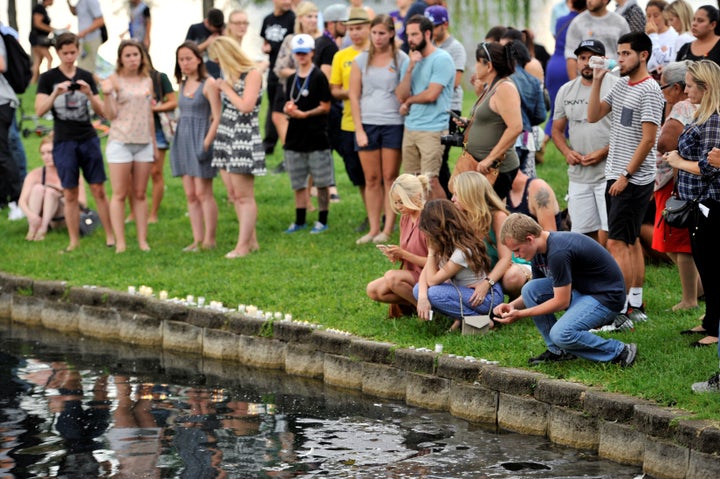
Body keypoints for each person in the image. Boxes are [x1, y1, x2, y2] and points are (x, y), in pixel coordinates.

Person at [587, 31, 664, 324]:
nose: (620, 59)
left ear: (643, 55)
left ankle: (618, 313)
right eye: (618, 53)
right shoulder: (620, 85)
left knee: (617, 243)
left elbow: (648, 141)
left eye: (626, 54)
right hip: (616, 173)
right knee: (629, 241)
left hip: (632, 178)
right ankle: (634, 304)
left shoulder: (650, 91)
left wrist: (626, 176)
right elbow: (594, 115)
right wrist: (596, 80)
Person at [494, 213, 637, 367]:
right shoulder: (538, 250)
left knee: (561, 334)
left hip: (606, 298)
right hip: (581, 291)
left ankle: (620, 351)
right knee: (530, 289)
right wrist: (512, 306)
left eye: (517, 250)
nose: (517, 256)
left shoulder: (558, 252)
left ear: (529, 239)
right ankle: (558, 351)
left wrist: (520, 314)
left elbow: (561, 301)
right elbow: (536, 293)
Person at [35, 32, 114, 251]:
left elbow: (103, 112)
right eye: (65, 53)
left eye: (73, 52)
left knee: (98, 188)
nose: (69, 57)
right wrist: (55, 94)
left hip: (87, 137)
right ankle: (73, 241)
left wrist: (89, 93)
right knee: (70, 192)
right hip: (63, 141)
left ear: (78, 51)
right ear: (58, 53)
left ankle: (110, 235)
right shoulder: (48, 78)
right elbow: (40, 111)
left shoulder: (87, 76)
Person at [665, 60, 720, 350]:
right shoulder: (705, 114)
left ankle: (716, 328)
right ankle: (711, 320)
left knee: (712, 264)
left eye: (688, 85)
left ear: (706, 87)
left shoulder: (714, 118)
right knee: (704, 261)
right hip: (699, 202)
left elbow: (710, 167)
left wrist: (677, 161)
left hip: (711, 201)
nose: (684, 90)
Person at [349, 14, 408, 244]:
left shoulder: (400, 58)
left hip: (393, 123)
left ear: (392, 33)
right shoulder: (361, 60)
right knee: (371, 178)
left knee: (389, 177)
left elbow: (406, 89)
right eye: (374, 33)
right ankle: (373, 228)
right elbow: (354, 97)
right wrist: (359, 129)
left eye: (382, 33)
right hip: (368, 123)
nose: (377, 37)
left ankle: (388, 228)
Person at [552, 39, 617, 244]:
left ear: (604, 60)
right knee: (582, 233)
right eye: (582, 58)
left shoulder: (616, 85)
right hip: (579, 175)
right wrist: (567, 152)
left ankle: (612, 273)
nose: (587, 63)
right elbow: (557, 130)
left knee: (609, 231)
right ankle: (592, 272)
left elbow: (627, 133)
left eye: (592, 58)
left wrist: (603, 151)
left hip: (609, 173)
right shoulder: (566, 90)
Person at [208, 36, 265, 258]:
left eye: (218, 59)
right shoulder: (228, 75)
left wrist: (226, 88)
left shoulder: (252, 73)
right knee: (233, 194)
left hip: (244, 138)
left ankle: (242, 247)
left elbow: (246, 106)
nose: (216, 64)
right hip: (226, 136)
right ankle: (251, 241)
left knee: (244, 196)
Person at [652, 61, 701, 312]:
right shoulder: (696, 105)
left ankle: (690, 298)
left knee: (678, 242)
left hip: (675, 182)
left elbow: (666, 142)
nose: (662, 92)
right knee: (671, 241)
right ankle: (701, 288)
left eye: (664, 87)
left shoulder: (682, 106)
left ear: (678, 87)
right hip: (683, 181)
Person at [100, 39, 156, 254]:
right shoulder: (113, 81)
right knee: (120, 193)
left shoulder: (147, 80)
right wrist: (106, 95)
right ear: (121, 59)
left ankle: (142, 240)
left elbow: (149, 114)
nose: (133, 59)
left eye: (136, 55)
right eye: (128, 55)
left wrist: (152, 142)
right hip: (120, 141)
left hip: (143, 143)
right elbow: (110, 115)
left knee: (140, 194)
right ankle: (121, 242)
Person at [413, 199, 502, 332]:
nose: (426, 236)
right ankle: (462, 320)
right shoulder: (446, 243)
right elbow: (425, 276)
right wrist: (422, 298)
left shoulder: (463, 251)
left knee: (434, 293)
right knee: (418, 290)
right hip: (468, 294)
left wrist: (431, 253)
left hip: (486, 298)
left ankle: (481, 323)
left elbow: (432, 280)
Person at [395, 14, 454, 200]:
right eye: (408, 35)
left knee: (430, 181)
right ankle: (420, 225)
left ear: (427, 33)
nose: (410, 39)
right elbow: (400, 95)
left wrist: (409, 102)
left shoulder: (442, 59)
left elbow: (431, 94)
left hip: (433, 129)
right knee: (411, 182)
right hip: (411, 128)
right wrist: (411, 67)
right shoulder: (408, 61)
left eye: (414, 35)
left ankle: (446, 224)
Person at [170, 41, 221, 252]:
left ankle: (210, 239)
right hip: (183, 139)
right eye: (181, 59)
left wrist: (206, 143)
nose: (184, 63)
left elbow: (217, 117)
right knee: (190, 194)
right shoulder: (181, 84)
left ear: (198, 59)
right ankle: (196, 239)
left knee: (203, 193)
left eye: (188, 58)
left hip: (201, 138)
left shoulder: (208, 83)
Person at [281, 34, 333, 235]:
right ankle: (300, 219)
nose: (301, 57)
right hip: (295, 137)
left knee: (321, 181)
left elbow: (326, 106)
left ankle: (322, 219)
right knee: (298, 182)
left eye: (304, 53)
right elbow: (288, 101)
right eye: (298, 54)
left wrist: (305, 114)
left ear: (312, 53)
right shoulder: (292, 78)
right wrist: (289, 109)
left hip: (316, 136)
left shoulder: (318, 76)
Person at [451, 171, 529, 300]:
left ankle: (517, 301)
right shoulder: (460, 217)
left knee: (512, 277)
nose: (452, 199)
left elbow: (505, 259)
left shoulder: (498, 217)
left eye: (457, 194)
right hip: (482, 271)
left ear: (470, 195)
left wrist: (487, 283)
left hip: (510, 266)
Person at [460, 41, 522, 201]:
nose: (474, 67)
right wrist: (469, 124)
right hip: (482, 165)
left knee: (490, 215)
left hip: (496, 169)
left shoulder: (504, 88)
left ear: (489, 66)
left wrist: (490, 158)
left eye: (477, 62)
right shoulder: (492, 87)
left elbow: (515, 127)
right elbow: (493, 120)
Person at [330, 7, 371, 231]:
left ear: (369, 28)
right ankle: (370, 213)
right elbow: (334, 90)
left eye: (359, 28)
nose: (355, 33)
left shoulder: (380, 52)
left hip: (377, 120)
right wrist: (353, 91)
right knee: (360, 176)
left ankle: (386, 216)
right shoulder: (341, 56)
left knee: (381, 174)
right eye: (351, 29)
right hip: (349, 122)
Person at [366, 174, 429, 316]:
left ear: (417, 196)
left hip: (430, 275)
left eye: (401, 202)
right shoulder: (405, 218)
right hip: (413, 273)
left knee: (392, 277)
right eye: (395, 202)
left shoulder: (428, 218)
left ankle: (425, 310)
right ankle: (415, 305)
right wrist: (396, 255)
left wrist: (403, 254)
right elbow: (409, 253)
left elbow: (435, 262)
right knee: (373, 289)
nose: (398, 207)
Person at [425, 5, 466, 198]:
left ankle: (450, 199)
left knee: (440, 158)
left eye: (435, 26)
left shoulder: (455, 48)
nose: (431, 31)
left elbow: (455, 81)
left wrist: (433, 82)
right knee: (435, 159)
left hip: (450, 109)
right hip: (432, 109)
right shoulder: (429, 47)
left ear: (445, 24)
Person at [19, 135, 88, 241]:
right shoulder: (35, 174)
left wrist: (63, 192)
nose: (46, 157)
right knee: (38, 188)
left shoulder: (72, 173)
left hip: (63, 217)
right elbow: (22, 201)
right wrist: (31, 215)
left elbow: (83, 204)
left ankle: (43, 228)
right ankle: (33, 228)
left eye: (50, 152)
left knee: (50, 192)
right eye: (43, 153)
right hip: (39, 217)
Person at [273, 2, 320, 148]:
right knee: (278, 116)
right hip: (291, 89)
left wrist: (311, 78)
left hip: (314, 93)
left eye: (315, 17)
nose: (313, 20)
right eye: (309, 16)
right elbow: (279, 68)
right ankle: (290, 154)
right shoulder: (291, 40)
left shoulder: (322, 40)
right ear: (300, 18)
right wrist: (301, 75)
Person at [544, 0, 586, 145]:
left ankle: (543, 142)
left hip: (553, 64)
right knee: (572, 107)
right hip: (569, 65)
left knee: (556, 109)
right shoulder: (583, 23)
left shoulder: (560, 20)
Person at [261, 0, 295, 155]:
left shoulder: (292, 18)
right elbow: (266, 41)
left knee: (281, 111)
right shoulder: (268, 19)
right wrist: (265, 48)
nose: (288, 1)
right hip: (272, 71)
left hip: (286, 73)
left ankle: (290, 148)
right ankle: (269, 144)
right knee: (272, 109)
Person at [565, 0, 630, 79]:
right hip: (588, 82)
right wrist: (575, 85)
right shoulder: (577, 23)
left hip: (614, 81)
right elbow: (571, 57)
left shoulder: (620, 22)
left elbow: (628, 54)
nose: (588, 1)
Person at [0, 22, 21, 219]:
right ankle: (3, 199)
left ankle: (18, 201)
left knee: (3, 153)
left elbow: (1, 65)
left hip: (2, 102)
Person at [67, 0, 105, 74]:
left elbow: (100, 20)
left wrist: (84, 32)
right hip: (83, 40)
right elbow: (75, 12)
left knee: (88, 67)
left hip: (91, 39)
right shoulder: (80, 2)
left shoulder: (91, 1)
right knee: (83, 65)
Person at [185, 7, 224, 79]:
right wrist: (207, 43)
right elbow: (187, 52)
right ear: (206, 22)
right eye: (215, 28)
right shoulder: (195, 29)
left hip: (220, 73)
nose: (216, 30)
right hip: (200, 74)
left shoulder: (223, 30)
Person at [30, 0, 61, 85]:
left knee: (38, 61)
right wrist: (53, 30)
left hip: (38, 39)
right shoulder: (40, 8)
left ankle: (32, 82)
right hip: (38, 39)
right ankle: (48, 80)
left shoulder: (43, 9)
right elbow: (38, 23)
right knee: (49, 58)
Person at [646, 0, 679, 77]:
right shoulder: (643, 37)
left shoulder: (674, 35)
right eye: (648, 16)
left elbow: (666, 62)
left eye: (656, 16)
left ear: (665, 15)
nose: (651, 20)